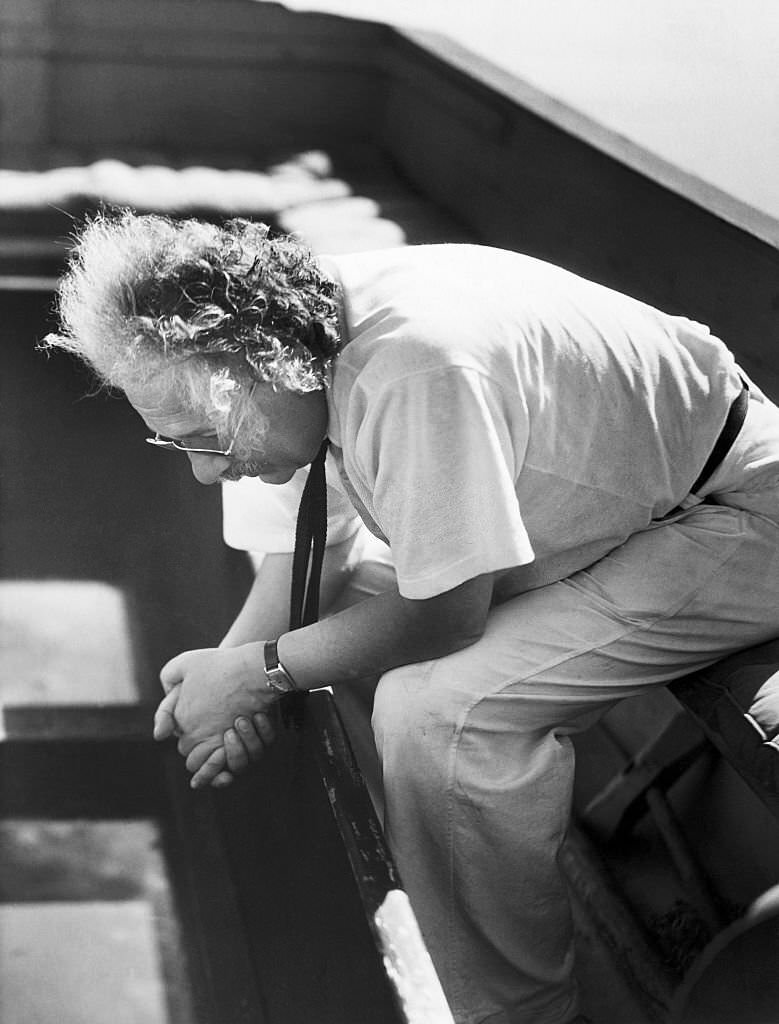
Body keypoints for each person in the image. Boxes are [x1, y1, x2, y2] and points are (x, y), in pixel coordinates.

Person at [46, 210, 779, 1024]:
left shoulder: (412, 368)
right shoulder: (280, 333)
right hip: (607, 505)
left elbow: (445, 618)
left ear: (260, 373)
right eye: (173, 444)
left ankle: (514, 1013)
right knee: (340, 622)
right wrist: (230, 683)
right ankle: (439, 863)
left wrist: (257, 673)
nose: (207, 470)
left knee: (443, 711)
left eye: (203, 438)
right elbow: (306, 557)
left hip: (731, 514)